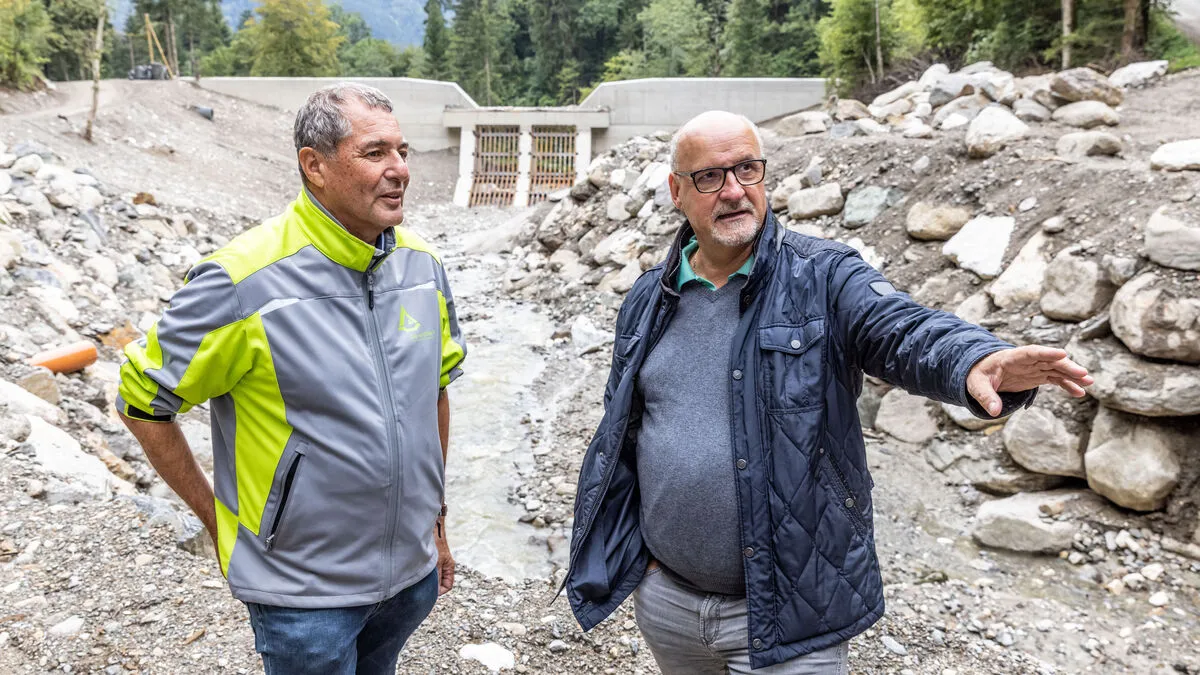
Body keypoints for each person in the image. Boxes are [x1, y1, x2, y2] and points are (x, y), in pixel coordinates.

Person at [564, 110, 1092, 674]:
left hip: (793, 610)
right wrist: (638, 563)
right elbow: (625, 430)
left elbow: (900, 327)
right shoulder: (649, 298)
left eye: (748, 169)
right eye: (711, 177)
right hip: (668, 602)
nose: (735, 191)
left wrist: (971, 359)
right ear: (677, 191)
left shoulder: (822, 276)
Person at [116, 83, 466, 675]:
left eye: (403, 151)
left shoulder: (421, 267)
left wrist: (436, 520)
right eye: (375, 152)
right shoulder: (242, 280)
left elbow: (433, 390)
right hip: (304, 597)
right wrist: (220, 523)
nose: (400, 170)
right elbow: (141, 399)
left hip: (411, 577)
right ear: (315, 165)